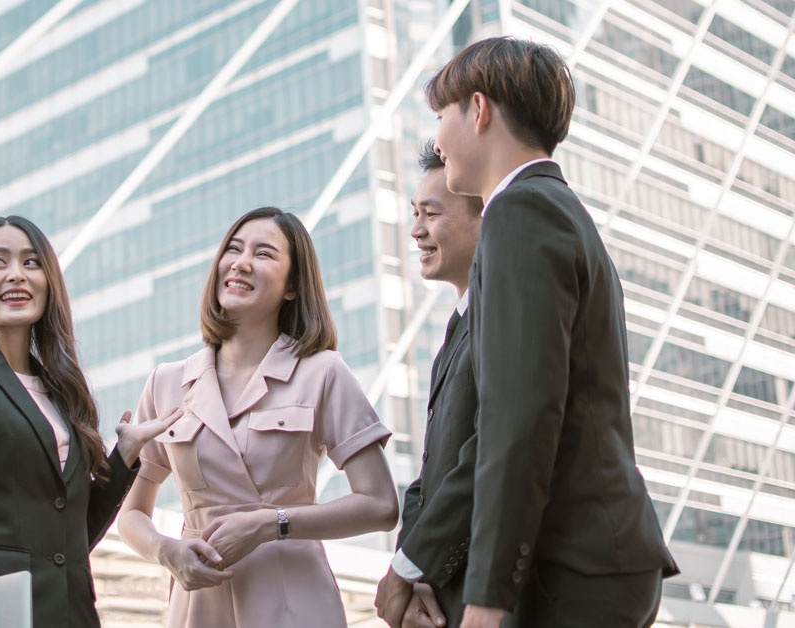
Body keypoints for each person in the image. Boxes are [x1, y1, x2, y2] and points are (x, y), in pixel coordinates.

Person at [425, 37, 678, 628]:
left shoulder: (519, 212)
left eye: (442, 116)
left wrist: (485, 602)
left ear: (480, 110)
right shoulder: (557, 209)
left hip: (569, 567)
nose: (437, 139)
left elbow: (520, 417)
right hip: (595, 559)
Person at [118, 207, 399, 627]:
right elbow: (131, 513)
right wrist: (166, 550)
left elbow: (380, 505)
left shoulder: (322, 372)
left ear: (292, 286)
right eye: (233, 249)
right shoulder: (166, 383)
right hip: (198, 605)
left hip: (296, 598)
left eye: (264, 254)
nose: (241, 262)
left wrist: (273, 524)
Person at [0, 216, 180, 627]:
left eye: (32, 263)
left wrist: (123, 455)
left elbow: (70, 536)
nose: (17, 275)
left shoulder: (61, 390)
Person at [374, 141, 483, 628]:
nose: (415, 231)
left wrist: (407, 570)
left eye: (431, 214)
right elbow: (428, 478)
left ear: (484, 217)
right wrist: (414, 576)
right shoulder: (452, 335)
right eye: (413, 214)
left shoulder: (500, 315)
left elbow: (487, 452)